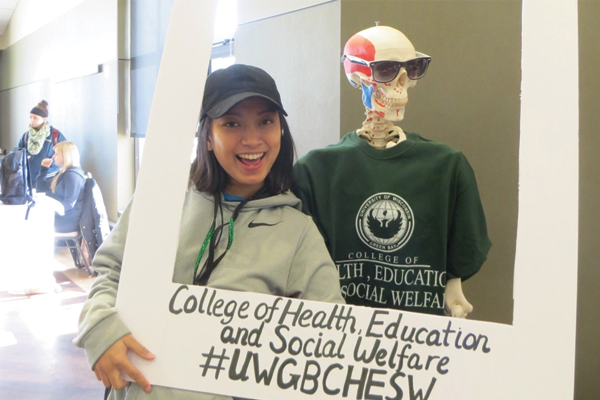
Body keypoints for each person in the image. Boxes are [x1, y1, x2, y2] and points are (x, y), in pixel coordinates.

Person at [75, 64, 344, 400]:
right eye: (231, 123)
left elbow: (329, 338)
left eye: (266, 121)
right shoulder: (161, 199)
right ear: (207, 136)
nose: (251, 139)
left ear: (281, 131)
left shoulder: (298, 233)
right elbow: (110, 272)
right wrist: (101, 330)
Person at [293, 26, 491, 318]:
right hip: (342, 336)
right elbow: (302, 270)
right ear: (359, 78)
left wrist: (453, 286)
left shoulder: (448, 166)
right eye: (385, 70)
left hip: (417, 338)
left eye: (412, 67)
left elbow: (462, 256)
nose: (401, 82)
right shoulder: (314, 171)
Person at [17, 100, 67, 190]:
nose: (32, 120)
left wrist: (52, 162)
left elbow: (67, 154)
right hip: (29, 179)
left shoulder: (55, 135)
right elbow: (17, 153)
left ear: (44, 119)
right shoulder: (26, 136)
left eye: (35, 118)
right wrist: (22, 157)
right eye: (30, 117)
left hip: (50, 178)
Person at [37, 141, 86, 232]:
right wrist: (44, 169)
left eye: (56, 154)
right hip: (61, 216)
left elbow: (68, 204)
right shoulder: (63, 173)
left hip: (66, 221)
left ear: (65, 156)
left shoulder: (73, 175)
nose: (53, 156)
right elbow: (41, 189)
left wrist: (47, 212)